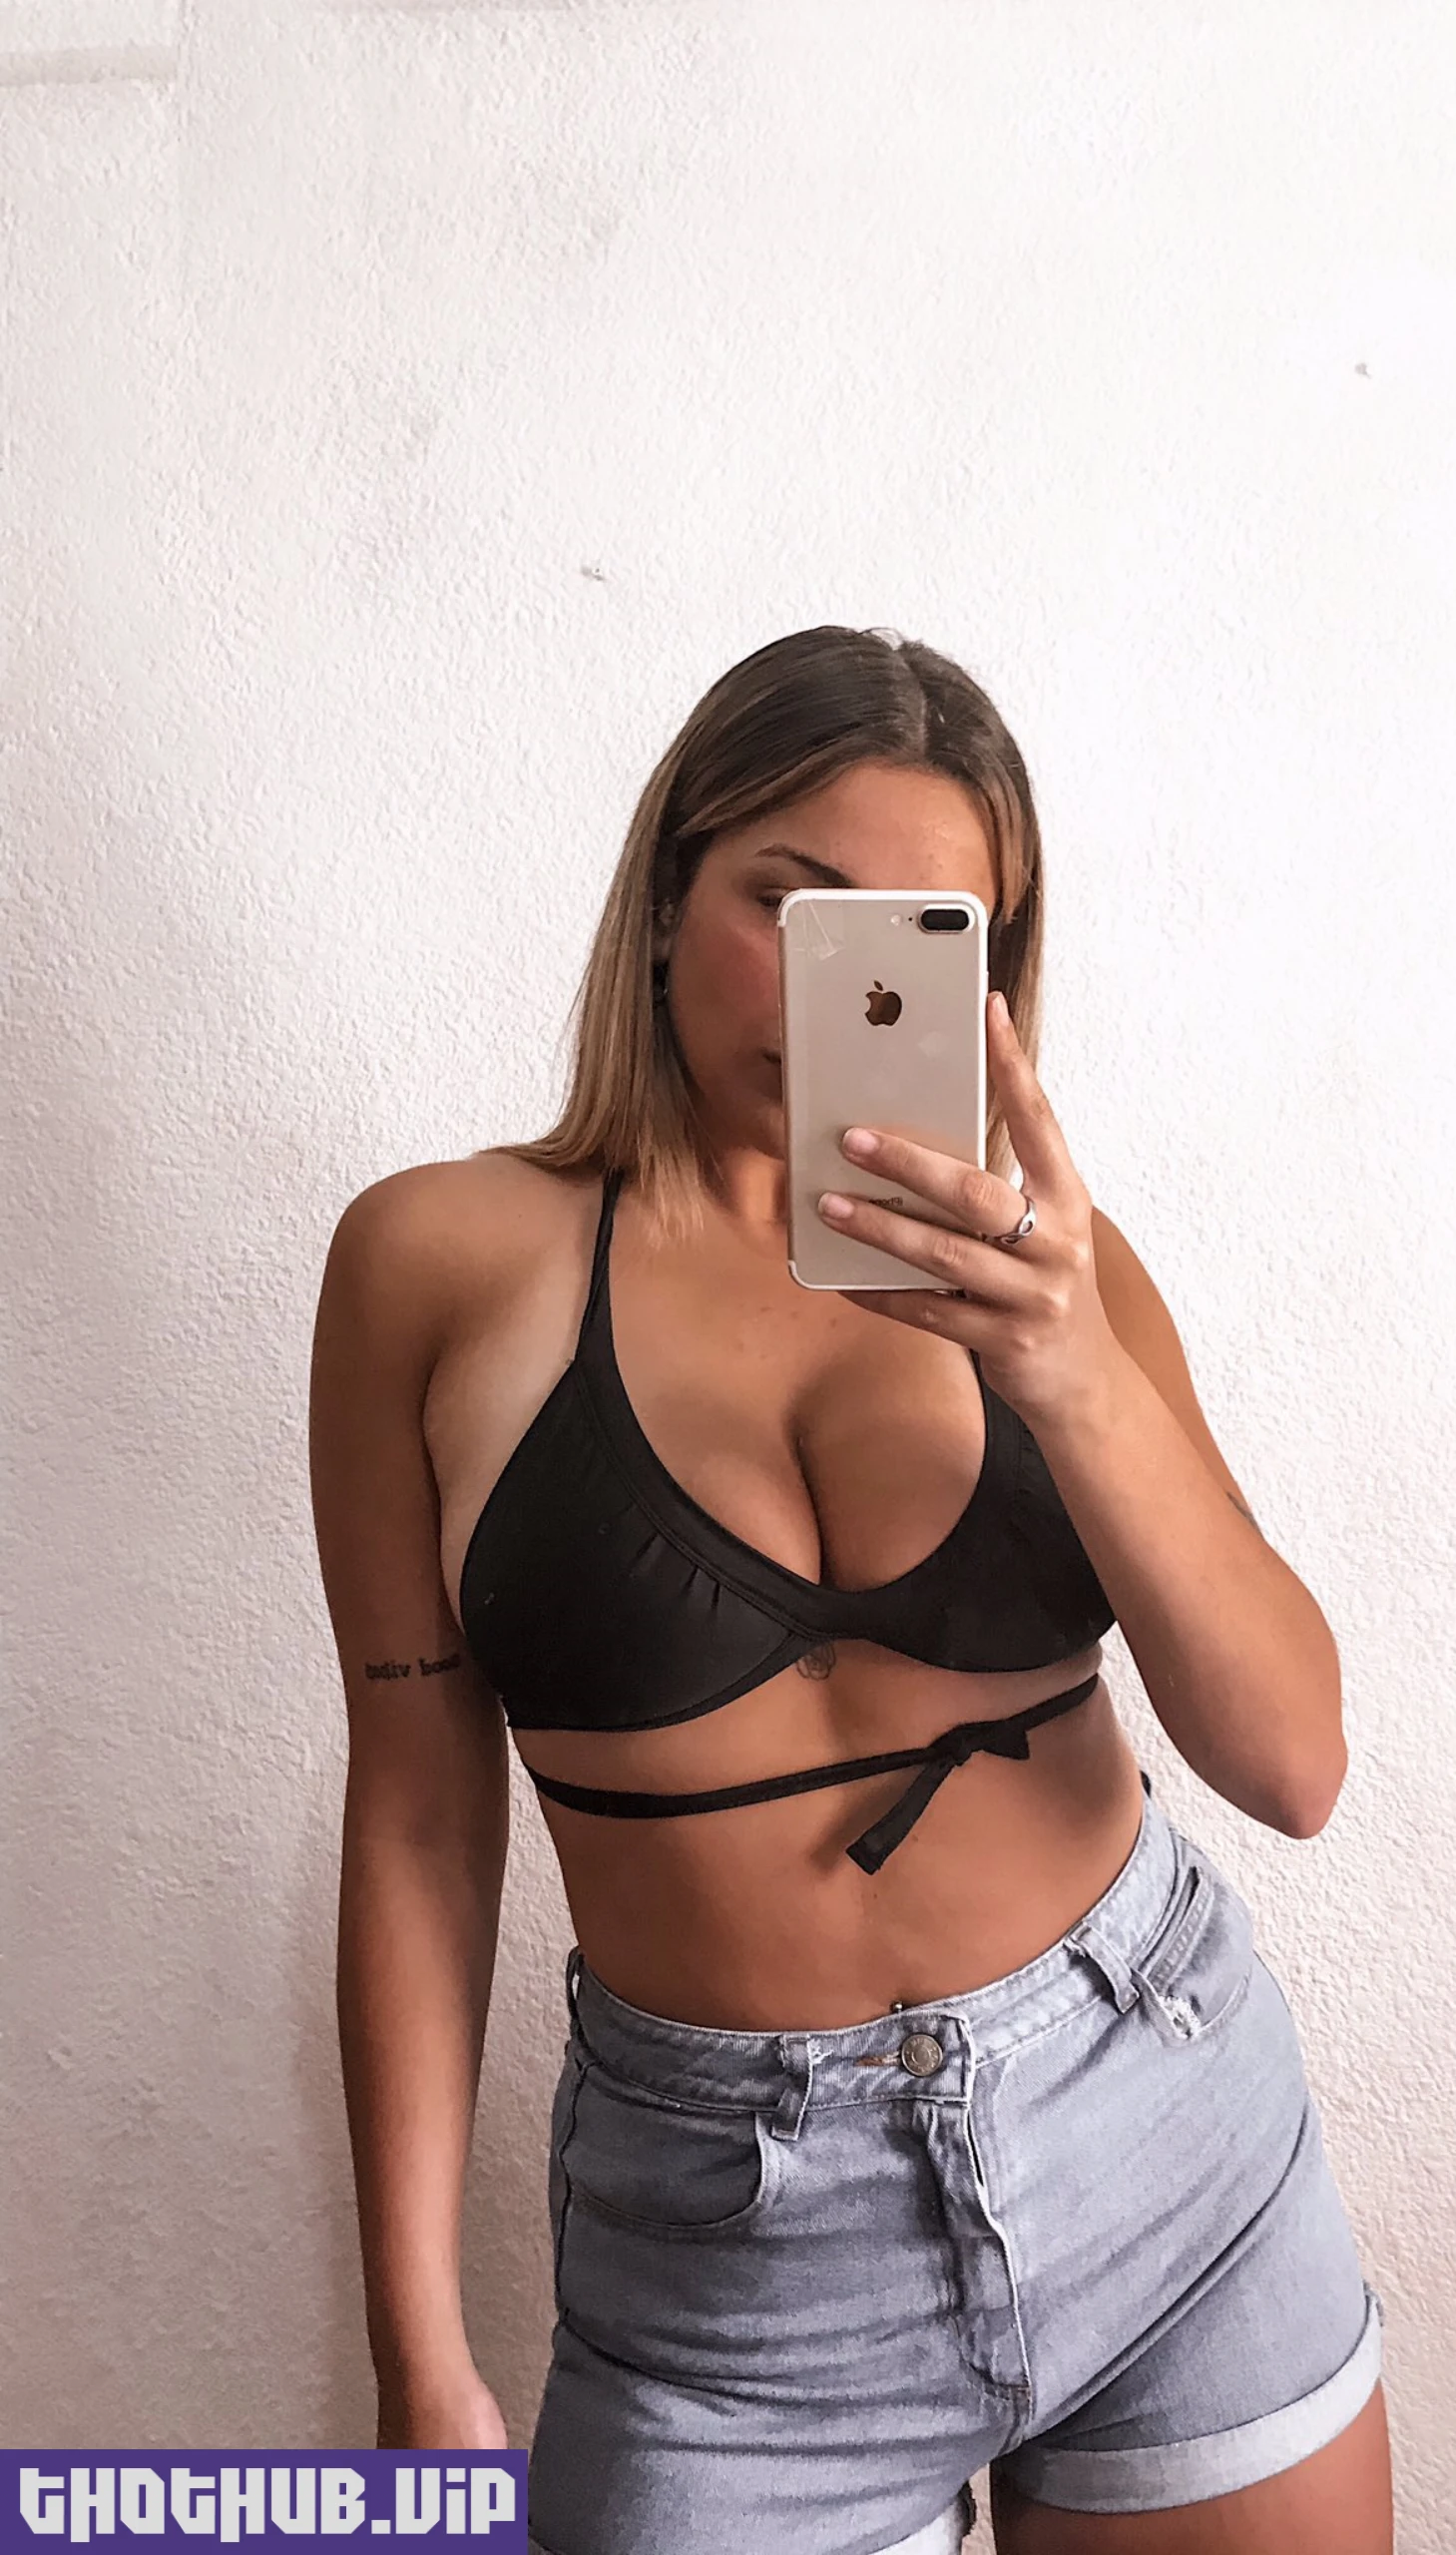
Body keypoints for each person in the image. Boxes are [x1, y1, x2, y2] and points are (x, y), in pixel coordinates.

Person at [307, 626, 1395, 2555]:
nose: (845, 994)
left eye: (920, 938)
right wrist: (419, 2349)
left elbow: (1293, 1761)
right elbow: (415, 1815)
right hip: (731, 2288)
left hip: (1168, 2137)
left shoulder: (1058, 1277)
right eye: (790, 907)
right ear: (667, 898)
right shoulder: (434, 1265)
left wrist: (1068, 1367)